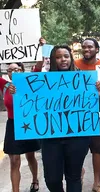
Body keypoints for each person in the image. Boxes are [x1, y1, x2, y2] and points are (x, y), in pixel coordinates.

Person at [9, 45, 100, 192]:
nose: (63, 60)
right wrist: (17, 91)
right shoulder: (42, 81)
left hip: (77, 137)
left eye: (66, 56)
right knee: (52, 179)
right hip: (51, 139)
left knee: (73, 177)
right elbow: (28, 102)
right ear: (53, 60)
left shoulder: (84, 79)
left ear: (71, 58)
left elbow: (96, 108)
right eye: (58, 57)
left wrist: (97, 95)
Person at [75, 38, 100, 192]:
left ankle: (96, 183)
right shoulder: (74, 65)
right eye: (84, 47)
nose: (86, 49)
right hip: (78, 112)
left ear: (97, 49)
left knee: (98, 149)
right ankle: (79, 172)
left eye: (90, 47)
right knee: (77, 147)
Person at [2, 62, 40, 192]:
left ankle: (35, 180)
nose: (13, 72)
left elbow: (38, 68)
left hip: (27, 124)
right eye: (10, 70)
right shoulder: (5, 86)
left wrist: (41, 47)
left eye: (17, 69)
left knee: (30, 156)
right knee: (14, 160)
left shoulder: (30, 83)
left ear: (23, 70)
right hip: (12, 125)